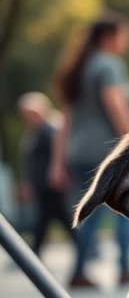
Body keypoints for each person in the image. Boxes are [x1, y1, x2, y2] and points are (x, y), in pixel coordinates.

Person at [50, 12, 129, 288]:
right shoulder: (108, 65)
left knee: (87, 213)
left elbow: (66, 120)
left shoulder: (78, 68)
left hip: (77, 152)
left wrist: (57, 161)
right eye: (124, 36)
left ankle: (78, 271)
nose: (126, 42)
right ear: (110, 37)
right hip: (106, 151)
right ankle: (125, 269)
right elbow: (115, 104)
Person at [17, 92, 76, 257]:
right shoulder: (35, 131)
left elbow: (61, 156)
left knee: (53, 219)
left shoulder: (52, 129)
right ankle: (87, 246)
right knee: (54, 219)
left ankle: (33, 253)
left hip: (52, 184)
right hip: (42, 184)